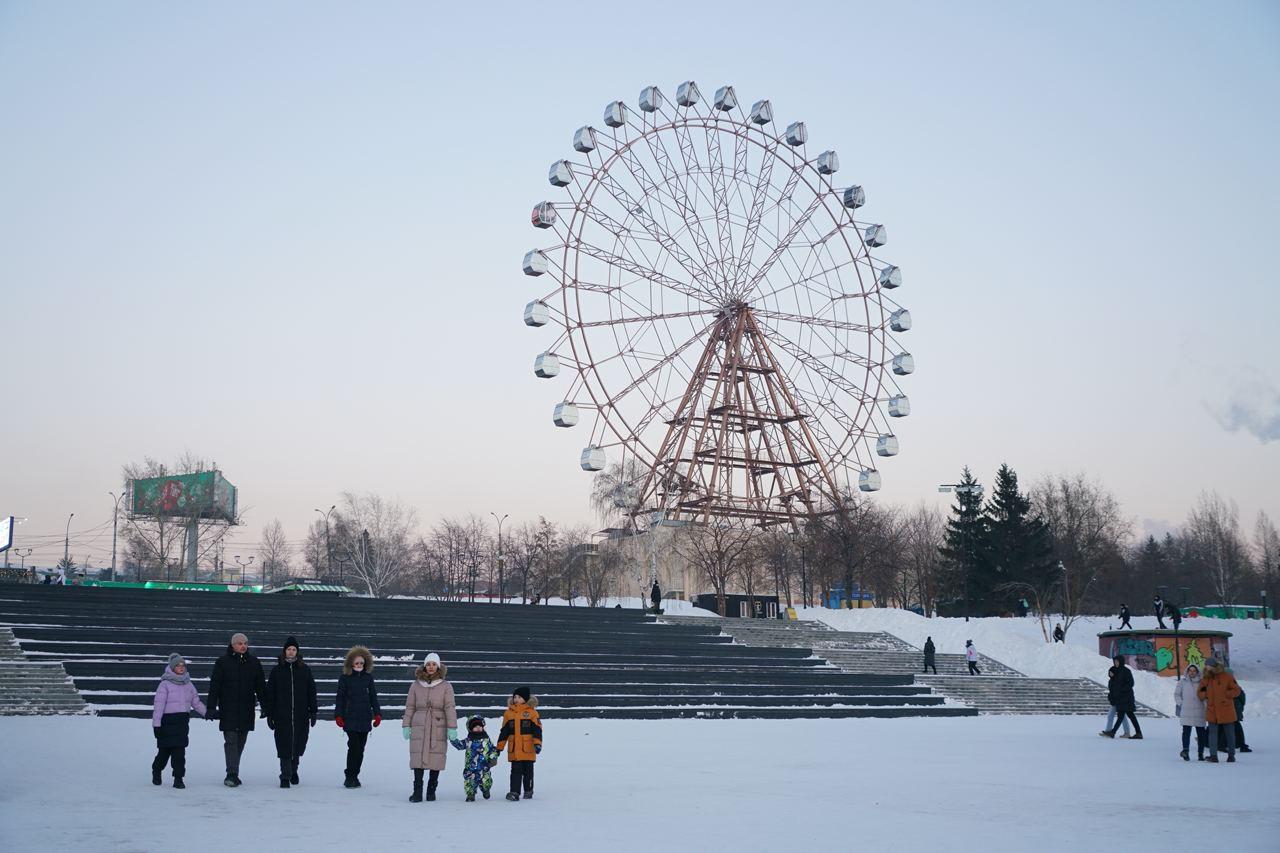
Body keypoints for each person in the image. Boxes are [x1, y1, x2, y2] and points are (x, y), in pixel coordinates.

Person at [206, 632, 266, 787]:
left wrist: (266, 706)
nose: (243, 646)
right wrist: (211, 707)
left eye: (245, 643)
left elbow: (261, 687)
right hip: (228, 708)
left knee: (240, 742)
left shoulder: (254, 662)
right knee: (231, 741)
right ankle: (231, 774)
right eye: (240, 643)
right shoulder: (222, 662)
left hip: (246, 709)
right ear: (232, 645)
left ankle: (233, 770)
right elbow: (215, 686)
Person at [265, 636, 318, 789]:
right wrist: (269, 714)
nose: (291, 652)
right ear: (284, 651)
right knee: (284, 745)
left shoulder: (305, 669)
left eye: (294, 649)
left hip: (301, 715)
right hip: (282, 715)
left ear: (297, 652)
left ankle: (294, 771)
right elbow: (271, 693)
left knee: (298, 745)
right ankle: (285, 776)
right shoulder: (277, 670)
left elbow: (311, 691)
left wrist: (313, 711)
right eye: (289, 649)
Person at [402, 652, 457, 802]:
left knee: (436, 758)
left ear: (438, 666)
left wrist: (452, 727)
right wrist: (406, 724)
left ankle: (431, 791)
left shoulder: (446, 686)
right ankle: (417, 792)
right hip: (419, 724)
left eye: (434, 664)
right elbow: (410, 706)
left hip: (438, 724)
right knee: (417, 758)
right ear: (424, 666)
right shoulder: (415, 685)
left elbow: (450, 707)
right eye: (428, 664)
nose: (431, 667)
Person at [151, 653, 206, 789]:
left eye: (183, 665)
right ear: (172, 667)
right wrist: (156, 725)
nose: (181, 668)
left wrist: (207, 713)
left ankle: (178, 778)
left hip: (181, 723)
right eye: (178, 665)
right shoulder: (165, 685)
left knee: (179, 754)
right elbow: (158, 706)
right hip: (167, 723)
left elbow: (196, 702)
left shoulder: (188, 684)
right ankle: (157, 771)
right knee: (164, 753)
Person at [334, 645, 381, 788]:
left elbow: (373, 697)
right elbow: (340, 698)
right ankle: (349, 776)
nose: (359, 665)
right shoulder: (345, 678)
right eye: (357, 663)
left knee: (360, 749)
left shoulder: (368, 678)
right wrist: (339, 715)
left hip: (365, 718)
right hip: (350, 718)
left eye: (361, 663)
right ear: (351, 664)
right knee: (353, 747)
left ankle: (356, 775)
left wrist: (377, 713)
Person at [497, 685, 542, 801]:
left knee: (528, 772)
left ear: (526, 699)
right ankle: (514, 792)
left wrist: (537, 743)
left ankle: (528, 790)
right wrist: (499, 747)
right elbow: (504, 732)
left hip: (528, 749)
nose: (516, 699)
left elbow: (537, 730)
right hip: (515, 750)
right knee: (515, 772)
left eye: (519, 697)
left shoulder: (532, 713)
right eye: (515, 697)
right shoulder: (508, 713)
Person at [1198, 657, 1241, 763]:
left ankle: (1231, 755)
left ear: (1214, 666)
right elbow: (1200, 691)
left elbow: (1236, 690)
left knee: (1230, 734)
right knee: (1212, 734)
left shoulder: (1227, 676)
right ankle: (1213, 756)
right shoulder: (1206, 678)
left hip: (1226, 709)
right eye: (1206, 665)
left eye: (1208, 665)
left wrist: (1227, 695)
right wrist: (1206, 695)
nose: (1207, 667)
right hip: (1212, 710)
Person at [450, 716, 500, 802]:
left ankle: (485, 790)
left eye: (480, 726)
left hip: (484, 767)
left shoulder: (486, 740)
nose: (478, 728)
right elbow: (460, 745)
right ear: (470, 728)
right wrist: (453, 739)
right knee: (469, 781)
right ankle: (470, 794)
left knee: (486, 781)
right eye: (475, 726)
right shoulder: (468, 741)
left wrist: (493, 757)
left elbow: (492, 749)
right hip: (471, 768)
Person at [1101, 654, 1143, 739]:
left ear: (1121, 661)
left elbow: (1131, 683)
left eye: (1117, 661)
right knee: (1128, 716)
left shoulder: (1126, 671)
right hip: (1120, 699)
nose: (1116, 663)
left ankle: (1113, 732)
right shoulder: (1116, 673)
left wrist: (1121, 691)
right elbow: (1114, 687)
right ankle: (1138, 733)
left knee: (1124, 716)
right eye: (1115, 661)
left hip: (1126, 698)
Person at [1174, 663, 1207, 761]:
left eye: (1194, 671)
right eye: (1190, 670)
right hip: (1186, 711)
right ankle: (1185, 751)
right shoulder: (1182, 682)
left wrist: (1205, 704)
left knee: (1201, 734)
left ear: (1197, 672)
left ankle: (1200, 754)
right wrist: (1181, 703)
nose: (1192, 672)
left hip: (1199, 711)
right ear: (1187, 671)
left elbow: (1206, 695)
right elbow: (1176, 694)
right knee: (1186, 732)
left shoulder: (1202, 683)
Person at [1233, 686, 1252, 754]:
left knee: (1235, 728)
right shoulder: (1236, 687)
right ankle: (1240, 744)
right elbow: (1242, 698)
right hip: (1236, 710)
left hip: (1232, 711)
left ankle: (1240, 744)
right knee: (1236, 728)